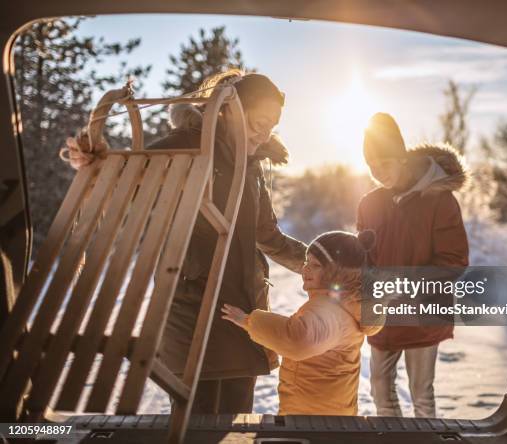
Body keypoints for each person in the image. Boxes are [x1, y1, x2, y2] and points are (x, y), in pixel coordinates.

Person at [64, 70, 307, 414]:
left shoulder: (250, 165)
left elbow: (268, 236)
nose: (266, 133)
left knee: (238, 425)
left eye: (273, 125)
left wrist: (325, 266)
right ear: (229, 111)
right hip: (195, 315)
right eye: (260, 121)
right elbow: (131, 176)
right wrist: (94, 164)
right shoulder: (188, 144)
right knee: (198, 424)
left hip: (244, 313)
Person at [357, 113, 469, 418]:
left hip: (423, 313)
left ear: (402, 158)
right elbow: (363, 257)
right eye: (372, 166)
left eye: (386, 163)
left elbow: (454, 260)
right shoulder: (369, 203)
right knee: (380, 389)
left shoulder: (439, 201)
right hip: (382, 314)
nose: (379, 173)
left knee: (421, 395)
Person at [222, 230, 382, 415]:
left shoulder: (330, 309)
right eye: (306, 262)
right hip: (332, 412)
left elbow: (298, 339)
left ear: (337, 272)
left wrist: (249, 320)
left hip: (312, 419)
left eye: (315, 265)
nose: (306, 268)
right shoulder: (347, 303)